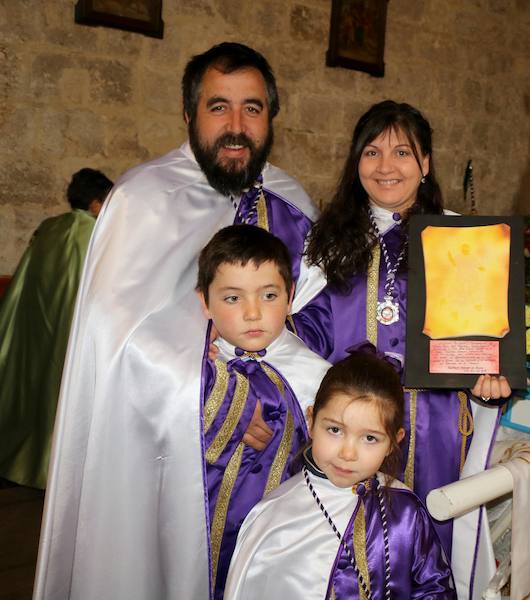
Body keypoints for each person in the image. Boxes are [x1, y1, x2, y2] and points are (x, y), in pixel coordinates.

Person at [34, 43, 320, 600]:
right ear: (189, 116)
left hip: (280, 463)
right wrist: (229, 403)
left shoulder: (292, 202)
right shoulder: (144, 197)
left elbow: (313, 320)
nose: (236, 126)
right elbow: (118, 335)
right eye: (220, 107)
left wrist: (296, 398)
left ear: (271, 118)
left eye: (253, 109)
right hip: (173, 459)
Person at [297, 100, 509, 599]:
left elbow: (482, 342)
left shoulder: (461, 240)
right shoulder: (326, 242)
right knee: (349, 551)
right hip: (353, 428)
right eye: (372, 152)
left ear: (426, 162)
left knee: (430, 545)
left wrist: (488, 383)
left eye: (402, 152)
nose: (386, 167)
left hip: (434, 426)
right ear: (356, 162)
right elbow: (303, 338)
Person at [225, 350, 456, 600]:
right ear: (312, 421)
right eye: (335, 430)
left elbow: (434, 588)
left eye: (370, 438)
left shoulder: (406, 512)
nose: (347, 453)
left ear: (393, 442)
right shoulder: (273, 517)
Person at [196, 225, 330, 600]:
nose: (253, 313)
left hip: (274, 544)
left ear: (290, 299)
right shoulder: (189, 370)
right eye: (232, 298)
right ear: (204, 302)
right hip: (193, 534)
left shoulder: (317, 376)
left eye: (269, 295)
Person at [0, 168, 113, 489]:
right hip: (75, 335)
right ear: (95, 203)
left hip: (40, 329)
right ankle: (59, 472)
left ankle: (28, 462)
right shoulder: (96, 234)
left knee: (40, 397)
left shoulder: (48, 229)